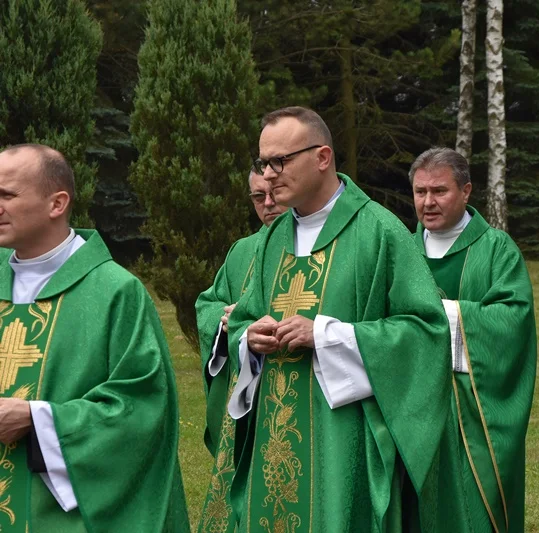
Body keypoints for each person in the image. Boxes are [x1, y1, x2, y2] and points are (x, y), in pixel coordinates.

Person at [224, 107, 466, 531]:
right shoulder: (270, 240)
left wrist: (326, 334)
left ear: (322, 157)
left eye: (280, 161)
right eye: (264, 163)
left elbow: (426, 332)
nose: (268, 176)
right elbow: (243, 317)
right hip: (274, 441)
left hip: (344, 441)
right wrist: (249, 338)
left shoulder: (378, 231)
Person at [0, 144, 189, 532]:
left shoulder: (114, 291)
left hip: (64, 514)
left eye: (7, 195)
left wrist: (38, 419)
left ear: (57, 203)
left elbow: (143, 408)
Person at [410, 147, 536, 533]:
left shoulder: (497, 249)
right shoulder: (400, 248)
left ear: (466, 191)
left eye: (439, 191)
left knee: (472, 507)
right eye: (419, 192)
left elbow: (513, 320)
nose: (428, 202)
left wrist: (437, 316)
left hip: (472, 408)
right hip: (411, 403)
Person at [195, 170, 288, 533]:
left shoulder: (318, 247)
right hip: (248, 396)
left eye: (274, 193)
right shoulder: (243, 251)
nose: (267, 204)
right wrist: (226, 322)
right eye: (256, 197)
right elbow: (209, 303)